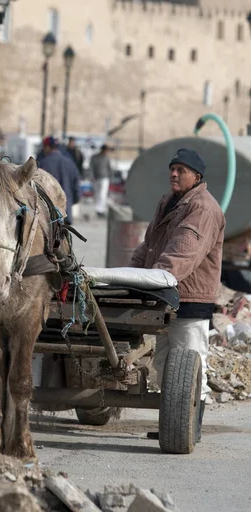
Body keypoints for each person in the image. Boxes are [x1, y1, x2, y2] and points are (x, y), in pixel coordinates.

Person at [130, 148, 225, 443]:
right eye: (172, 168)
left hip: (189, 297)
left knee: (192, 362)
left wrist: (152, 279)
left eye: (181, 170)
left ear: (197, 177)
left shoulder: (203, 208)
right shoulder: (168, 202)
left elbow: (183, 253)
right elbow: (149, 246)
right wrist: (130, 276)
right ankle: (174, 422)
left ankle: (190, 429)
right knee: (165, 365)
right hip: (164, 295)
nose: (173, 173)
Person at [38, 136, 81, 224]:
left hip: (48, 214)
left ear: (47, 147)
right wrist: (73, 200)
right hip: (66, 211)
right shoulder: (70, 163)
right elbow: (77, 185)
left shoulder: (42, 163)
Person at [90, 144, 112, 217]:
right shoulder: (95, 158)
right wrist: (91, 176)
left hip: (105, 178)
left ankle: (100, 209)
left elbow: (109, 168)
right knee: (97, 194)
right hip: (96, 178)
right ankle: (97, 209)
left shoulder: (107, 158)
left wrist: (110, 177)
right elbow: (91, 168)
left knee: (103, 194)